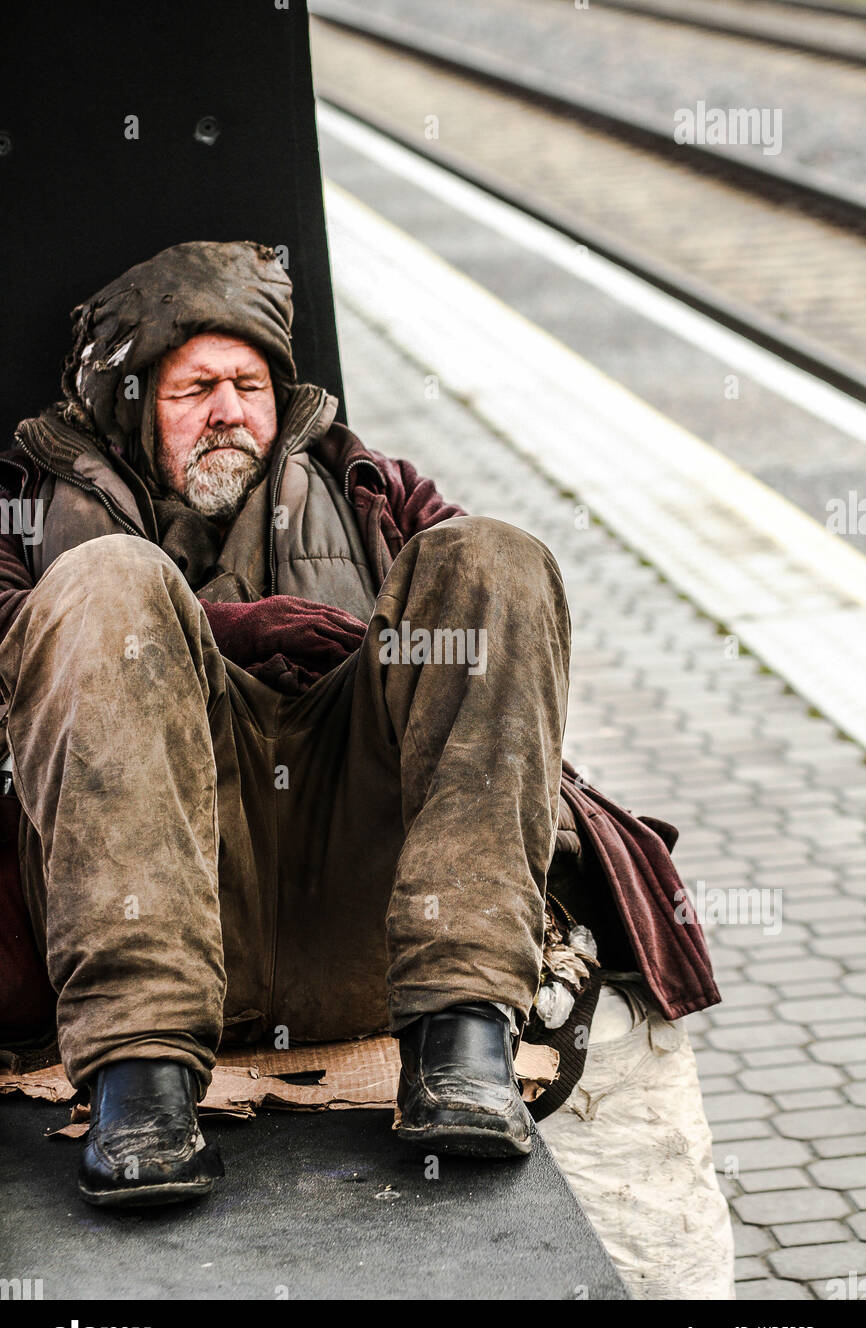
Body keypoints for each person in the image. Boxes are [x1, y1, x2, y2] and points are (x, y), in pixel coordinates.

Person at [0, 241, 719, 1207]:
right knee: (101, 584)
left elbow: (490, 616)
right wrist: (231, 630)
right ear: (132, 405)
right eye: (195, 388)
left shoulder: (366, 484)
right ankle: (142, 1091)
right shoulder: (29, 507)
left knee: (495, 556)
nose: (230, 412)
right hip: (167, 907)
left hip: (366, 915)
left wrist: (367, 639)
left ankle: (461, 1043)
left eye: (250, 386)